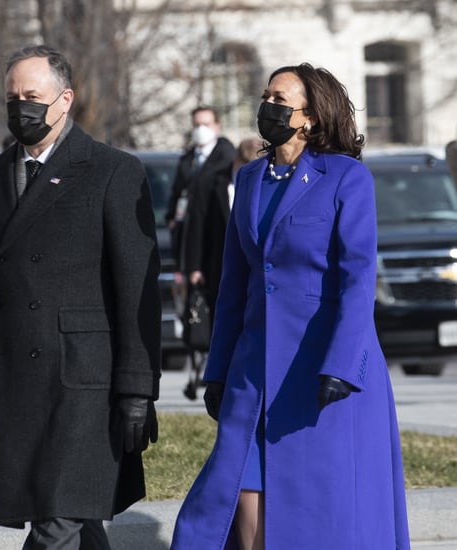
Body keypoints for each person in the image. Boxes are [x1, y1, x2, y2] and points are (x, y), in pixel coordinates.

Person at [0, 44, 161, 550]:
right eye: (12, 97)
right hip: (19, 384)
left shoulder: (111, 170)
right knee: (74, 517)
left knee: (57, 521)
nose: (20, 107)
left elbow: (136, 288)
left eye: (32, 95)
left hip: (84, 384)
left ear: (65, 99)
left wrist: (138, 389)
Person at [171, 62, 410, 550]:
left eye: (281, 100)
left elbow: (358, 280)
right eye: (267, 97)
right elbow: (232, 287)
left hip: (325, 372)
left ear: (311, 117)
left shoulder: (346, 177)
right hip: (254, 374)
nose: (269, 107)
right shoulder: (251, 178)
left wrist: (342, 365)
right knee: (238, 494)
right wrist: (217, 370)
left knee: (321, 514)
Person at [181, 138, 262, 400]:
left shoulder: (266, 182)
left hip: (254, 267)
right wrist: (194, 266)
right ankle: (221, 375)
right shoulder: (211, 182)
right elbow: (197, 227)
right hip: (217, 265)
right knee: (222, 318)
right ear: (236, 162)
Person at [165, 105, 235, 272]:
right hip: (187, 243)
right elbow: (176, 194)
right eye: (197, 125)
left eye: (206, 124)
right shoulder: (187, 160)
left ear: (217, 126)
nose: (201, 129)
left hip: (215, 244)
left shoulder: (227, 160)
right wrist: (172, 221)